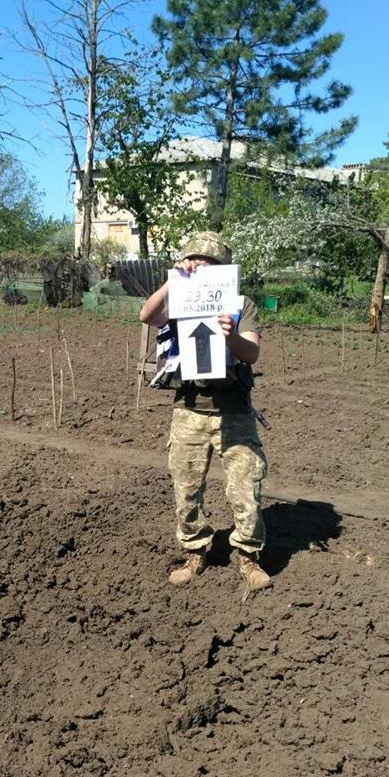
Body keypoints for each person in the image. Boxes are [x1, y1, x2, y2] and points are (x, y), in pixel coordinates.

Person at [139, 231, 272, 592]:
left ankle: (247, 557)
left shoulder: (241, 304)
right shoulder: (179, 298)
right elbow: (146, 315)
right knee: (186, 487)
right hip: (189, 410)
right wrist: (172, 281)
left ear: (223, 269)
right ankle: (195, 551)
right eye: (194, 261)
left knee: (246, 486)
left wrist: (231, 336)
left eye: (209, 263)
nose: (200, 267)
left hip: (234, 411)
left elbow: (252, 353)